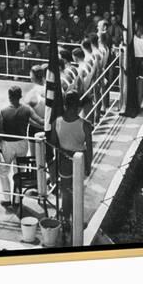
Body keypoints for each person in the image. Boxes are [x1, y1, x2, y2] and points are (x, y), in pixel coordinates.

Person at [50, 90, 93, 240]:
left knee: (66, 192)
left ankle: (65, 219)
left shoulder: (57, 122)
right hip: (78, 161)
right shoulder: (85, 125)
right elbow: (89, 149)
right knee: (77, 191)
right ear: (77, 104)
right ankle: (76, 220)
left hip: (64, 161)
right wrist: (89, 166)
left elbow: (54, 143)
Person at [0, 86, 44, 207]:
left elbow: (0, 131)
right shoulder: (26, 110)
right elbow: (40, 121)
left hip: (8, 144)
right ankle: (17, 200)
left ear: (9, 97)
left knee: (3, 172)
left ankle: (7, 198)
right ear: (20, 96)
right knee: (19, 172)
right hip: (22, 143)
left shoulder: (3, 111)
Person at [24, 65, 46, 154]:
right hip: (48, 126)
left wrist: (38, 125)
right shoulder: (51, 91)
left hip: (35, 128)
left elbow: (25, 115)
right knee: (49, 156)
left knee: (35, 157)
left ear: (32, 77)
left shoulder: (31, 95)